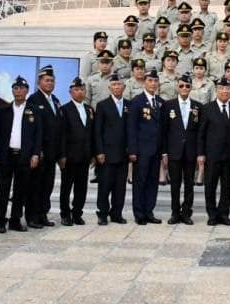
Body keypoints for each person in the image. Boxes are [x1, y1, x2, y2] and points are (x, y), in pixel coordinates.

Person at [0, 76, 39, 233]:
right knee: (2, 189)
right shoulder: (3, 110)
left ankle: (15, 219)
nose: (18, 91)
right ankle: (0, 220)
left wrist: (35, 154)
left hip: (24, 156)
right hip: (7, 155)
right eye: (16, 88)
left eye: (22, 88)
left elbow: (38, 135)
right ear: (12, 90)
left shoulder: (34, 110)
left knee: (20, 190)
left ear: (27, 91)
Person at [163, 73, 202, 225]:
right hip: (174, 151)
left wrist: (200, 152)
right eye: (181, 86)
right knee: (175, 184)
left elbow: (199, 132)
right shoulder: (168, 105)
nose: (184, 88)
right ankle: (174, 213)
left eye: (187, 86)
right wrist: (165, 152)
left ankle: (186, 213)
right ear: (177, 87)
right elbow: (164, 131)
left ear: (191, 87)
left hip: (191, 152)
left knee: (189, 184)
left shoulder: (198, 106)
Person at [26, 65, 62, 228]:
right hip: (39, 152)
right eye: (47, 80)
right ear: (39, 81)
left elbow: (59, 127)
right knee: (35, 186)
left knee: (47, 185)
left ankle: (42, 214)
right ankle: (32, 216)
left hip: (52, 153)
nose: (50, 83)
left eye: (52, 81)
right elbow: (32, 129)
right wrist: (36, 150)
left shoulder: (55, 100)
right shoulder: (33, 100)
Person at [199, 78, 230, 225]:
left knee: (226, 187)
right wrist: (201, 153)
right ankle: (212, 214)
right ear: (216, 91)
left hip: (228, 155)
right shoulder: (207, 108)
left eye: (227, 89)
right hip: (212, 155)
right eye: (222, 89)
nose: (225, 91)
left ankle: (224, 214)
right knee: (210, 185)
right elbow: (201, 133)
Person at [127, 69, 164, 225]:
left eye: (155, 81)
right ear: (144, 82)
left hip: (155, 150)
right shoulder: (137, 101)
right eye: (150, 80)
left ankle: (149, 211)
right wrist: (132, 150)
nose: (153, 83)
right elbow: (132, 128)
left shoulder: (160, 102)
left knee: (152, 182)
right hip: (141, 150)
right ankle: (139, 213)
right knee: (140, 181)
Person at [58, 77, 96, 226]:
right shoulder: (64, 110)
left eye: (82, 90)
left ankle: (77, 213)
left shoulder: (89, 109)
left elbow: (92, 134)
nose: (80, 92)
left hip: (85, 155)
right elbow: (61, 134)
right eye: (76, 90)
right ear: (70, 92)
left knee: (81, 187)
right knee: (66, 187)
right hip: (70, 156)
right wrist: (61, 155)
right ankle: (65, 214)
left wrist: (93, 153)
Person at [94, 73, 129, 225]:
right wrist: (99, 151)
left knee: (120, 187)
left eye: (119, 84)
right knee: (105, 186)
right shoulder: (102, 105)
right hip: (107, 154)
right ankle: (102, 213)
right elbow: (97, 131)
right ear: (109, 88)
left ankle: (117, 213)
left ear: (124, 87)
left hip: (123, 153)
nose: (117, 87)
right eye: (114, 85)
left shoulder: (129, 105)